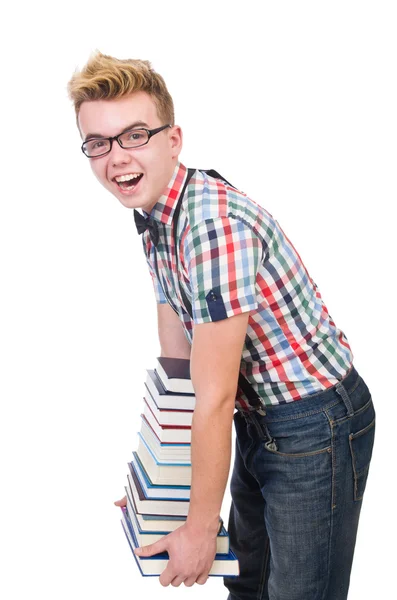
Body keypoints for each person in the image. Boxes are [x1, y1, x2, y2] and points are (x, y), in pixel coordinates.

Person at [67, 51, 376, 599]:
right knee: (248, 584)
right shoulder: (157, 217)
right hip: (256, 422)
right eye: (99, 142)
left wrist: (201, 525)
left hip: (314, 423)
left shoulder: (212, 228)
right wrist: (156, 485)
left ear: (173, 139)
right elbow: (179, 362)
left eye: (134, 135)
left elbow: (213, 395)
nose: (116, 158)